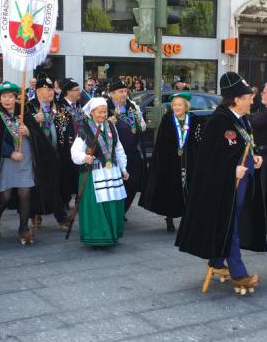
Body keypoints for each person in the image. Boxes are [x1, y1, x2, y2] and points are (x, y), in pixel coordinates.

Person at [176, 72, 267, 295]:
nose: (252, 100)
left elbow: (244, 144)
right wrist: (231, 169)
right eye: (248, 97)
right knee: (230, 225)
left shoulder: (243, 119)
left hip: (244, 180)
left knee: (230, 222)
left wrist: (254, 156)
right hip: (226, 184)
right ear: (237, 99)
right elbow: (208, 160)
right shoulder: (219, 121)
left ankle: (217, 262)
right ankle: (239, 273)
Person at [0, 81, 52, 245]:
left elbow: (37, 133)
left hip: (25, 157)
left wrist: (28, 132)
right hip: (6, 160)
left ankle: (23, 228)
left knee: (25, 193)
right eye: (4, 97)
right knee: (4, 196)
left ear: (15, 97)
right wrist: (9, 152)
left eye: (10, 97)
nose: (7, 100)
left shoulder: (24, 111)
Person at [140, 92, 203, 232]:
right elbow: (162, 142)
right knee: (172, 188)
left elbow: (198, 140)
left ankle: (187, 218)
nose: (176, 107)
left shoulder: (194, 119)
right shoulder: (167, 119)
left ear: (186, 106)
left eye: (179, 105)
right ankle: (169, 218)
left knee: (189, 188)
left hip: (189, 160)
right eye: (174, 104)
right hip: (171, 160)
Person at [70, 97, 129, 246]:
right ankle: (98, 236)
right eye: (100, 112)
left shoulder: (110, 126)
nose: (103, 115)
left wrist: (123, 168)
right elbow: (75, 150)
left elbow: (118, 148)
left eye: (105, 112)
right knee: (98, 207)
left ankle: (112, 234)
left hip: (111, 171)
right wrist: (84, 157)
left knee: (112, 203)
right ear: (92, 113)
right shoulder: (85, 128)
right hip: (93, 174)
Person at [23, 74, 71, 230]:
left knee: (56, 185)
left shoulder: (60, 108)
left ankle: (60, 215)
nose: (51, 92)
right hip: (36, 154)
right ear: (37, 91)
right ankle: (35, 214)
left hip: (56, 153)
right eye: (47, 89)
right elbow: (22, 129)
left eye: (52, 89)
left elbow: (67, 128)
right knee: (36, 187)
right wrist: (34, 122)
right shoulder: (28, 108)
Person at [106, 81, 147, 212]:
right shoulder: (105, 108)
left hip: (133, 151)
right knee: (118, 183)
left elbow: (143, 126)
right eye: (120, 92)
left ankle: (123, 209)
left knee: (134, 183)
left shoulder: (133, 106)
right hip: (114, 153)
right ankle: (117, 211)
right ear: (111, 94)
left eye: (125, 91)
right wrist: (108, 122)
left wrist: (137, 124)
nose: (124, 94)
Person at [58, 77, 84, 209]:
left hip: (78, 146)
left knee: (77, 174)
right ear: (68, 92)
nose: (79, 92)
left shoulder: (77, 106)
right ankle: (65, 201)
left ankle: (78, 201)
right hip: (65, 147)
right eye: (76, 90)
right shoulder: (60, 106)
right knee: (66, 175)